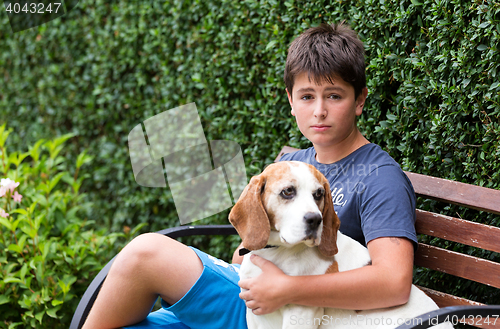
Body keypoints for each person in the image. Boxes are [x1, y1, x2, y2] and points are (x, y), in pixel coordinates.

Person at [82, 21, 417, 329]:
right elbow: (248, 249)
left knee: (147, 252)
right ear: (290, 101)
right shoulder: (295, 163)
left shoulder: (379, 176)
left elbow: (394, 283)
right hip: (254, 294)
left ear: (359, 100)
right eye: (306, 97)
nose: (319, 111)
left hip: (284, 313)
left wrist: (287, 289)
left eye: (334, 96)